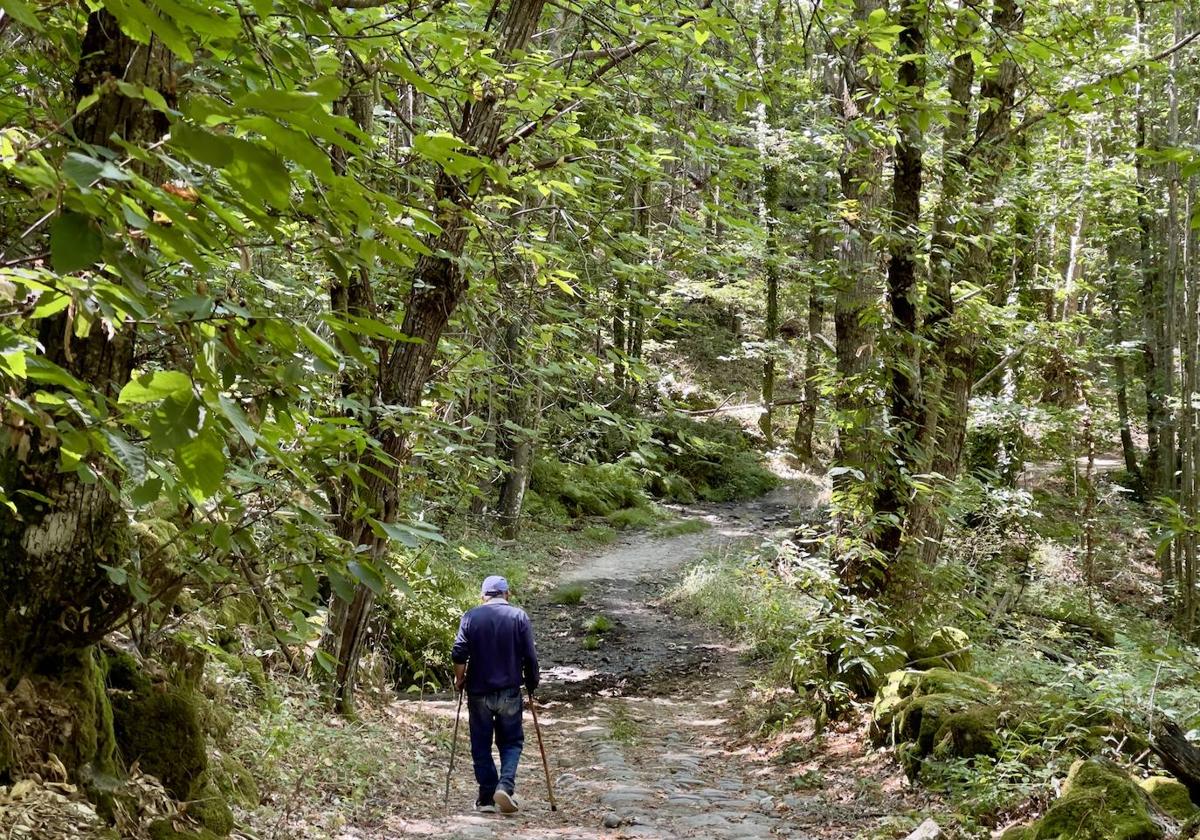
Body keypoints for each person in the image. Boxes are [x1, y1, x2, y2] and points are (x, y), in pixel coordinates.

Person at [451, 575, 540, 814]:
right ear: (506, 594)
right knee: (511, 741)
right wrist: (532, 682)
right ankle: (505, 785)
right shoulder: (519, 616)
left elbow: (459, 653)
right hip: (510, 690)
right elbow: (530, 656)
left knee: (480, 744)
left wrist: (460, 679)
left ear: (483, 596)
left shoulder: (471, 616)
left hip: (479, 691)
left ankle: (487, 798)